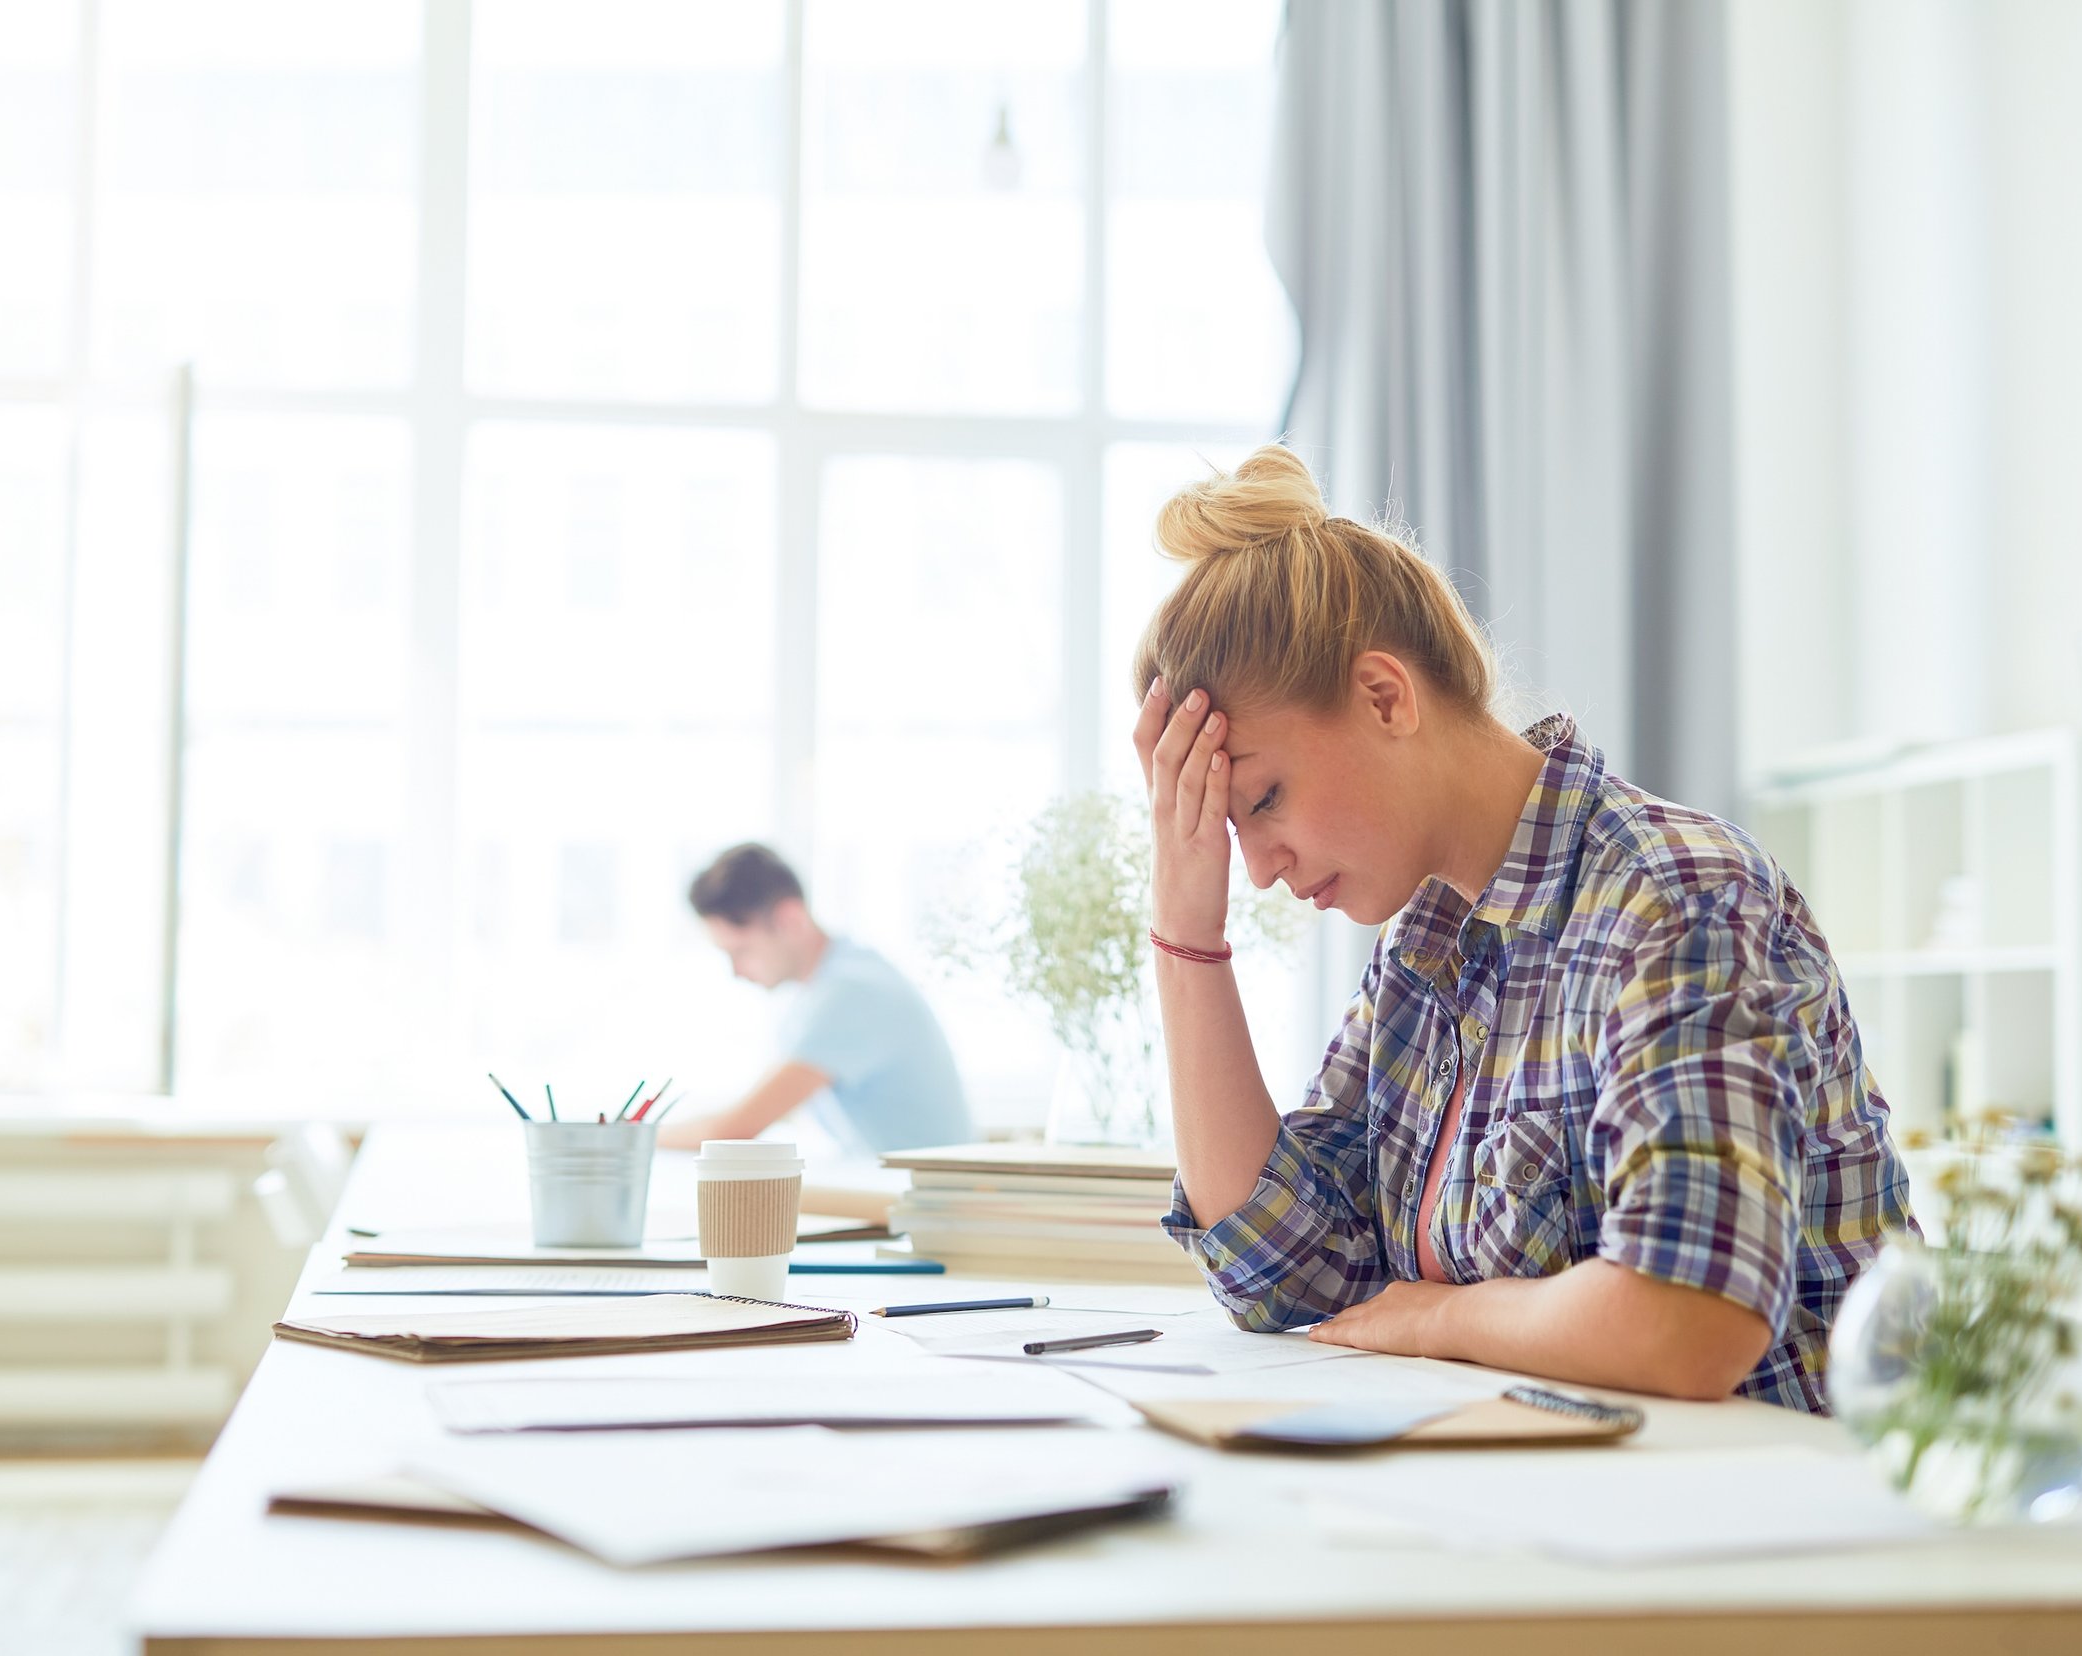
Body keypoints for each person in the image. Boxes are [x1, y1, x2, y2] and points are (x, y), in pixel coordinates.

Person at [1130, 445, 1913, 1412]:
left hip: (1782, 1523)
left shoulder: (1680, 902)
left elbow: (1688, 1326)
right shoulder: (1427, 944)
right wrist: (1184, 932)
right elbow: (1282, 1270)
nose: (1259, 867)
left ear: (1386, 696)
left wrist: (1435, 1319)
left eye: (1266, 798)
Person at [664, 842, 974, 1159]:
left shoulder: (852, 993)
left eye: (741, 951)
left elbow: (732, 1132)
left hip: (922, 1199)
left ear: (790, 919)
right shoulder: (835, 981)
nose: (736, 972)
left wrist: (631, 1139)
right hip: (900, 1188)